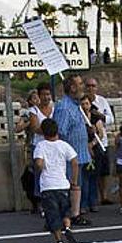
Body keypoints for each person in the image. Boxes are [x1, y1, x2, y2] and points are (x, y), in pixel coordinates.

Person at [33, 119, 79, 243]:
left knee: (53, 216)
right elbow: (75, 161)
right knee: (65, 211)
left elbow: (39, 163)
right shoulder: (64, 145)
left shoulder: (41, 146)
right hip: (62, 184)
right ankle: (68, 228)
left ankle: (59, 242)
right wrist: (74, 181)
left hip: (48, 186)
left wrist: (39, 168)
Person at [53, 74, 92, 226]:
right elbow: (60, 132)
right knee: (67, 187)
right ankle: (63, 216)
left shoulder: (76, 106)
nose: (83, 86)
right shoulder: (64, 107)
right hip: (69, 157)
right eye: (80, 83)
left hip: (79, 155)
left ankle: (75, 214)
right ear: (73, 88)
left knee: (76, 186)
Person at [85, 78, 115, 204]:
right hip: (88, 142)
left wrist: (100, 115)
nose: (91, 88)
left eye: (93, 85)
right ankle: (93, 197)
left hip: (102, 141)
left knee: (104, 170)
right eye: (89, 86)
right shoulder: (83, 102)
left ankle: (104, 195)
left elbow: (110, 119)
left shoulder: (102, 101)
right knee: (92, 172)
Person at [28, 83, 55, 213]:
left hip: (54, 146)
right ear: (39, 96)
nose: (46, 97)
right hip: (39, 146)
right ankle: (40, 201)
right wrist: (50, 130)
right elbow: (35, 128)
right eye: (44, 94)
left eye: (48, 94)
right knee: (39, 174)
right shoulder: (34, 111)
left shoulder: (55, 108)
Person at [79, 95, 105, 213]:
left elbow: (100, 133)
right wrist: (86, 146)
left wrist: (92, 144)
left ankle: (93, 202)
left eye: (87, 103)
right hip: (82, 149)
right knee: (84, 178)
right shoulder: (78, 117)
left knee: (94, 177)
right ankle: (83, 204)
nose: (85, 106)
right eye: (83, 104)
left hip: (95, 149)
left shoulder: (95, 117)